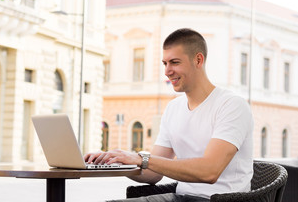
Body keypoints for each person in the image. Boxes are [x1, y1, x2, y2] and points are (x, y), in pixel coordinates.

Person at [84, 28, 254, 202]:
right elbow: (153, 172)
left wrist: (141, 158)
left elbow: (209, 171)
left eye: (174, 62)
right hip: (181, 197)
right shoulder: (173, 108)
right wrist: (116, 161)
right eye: (165, 63)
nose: (167, 71)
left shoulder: (232, 105)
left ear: (198, 60)